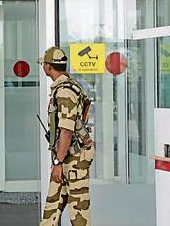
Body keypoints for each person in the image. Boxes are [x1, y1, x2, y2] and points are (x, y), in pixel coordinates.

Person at [38, 47, 94, 226]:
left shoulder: (65, 91)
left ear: (48, 67)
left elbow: (67, 131)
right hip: (65, 155)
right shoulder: (67, 87)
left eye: (43, 64)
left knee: (79, 212)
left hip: (74, 158)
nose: (43, 67)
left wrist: (58, 163)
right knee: (51, 210)